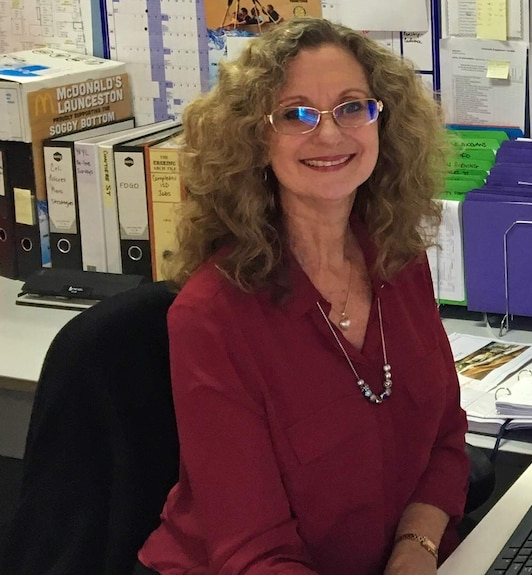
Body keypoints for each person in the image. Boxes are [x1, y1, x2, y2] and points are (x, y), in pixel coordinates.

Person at [134, 17, 470, 575]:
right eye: (295, 114)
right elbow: (255, 554)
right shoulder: (213, 317)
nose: (331, 134)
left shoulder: (397, 261)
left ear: (382, 121)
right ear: (254, 138)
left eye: (352, 106)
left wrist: (418, 548)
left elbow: (446, 440)